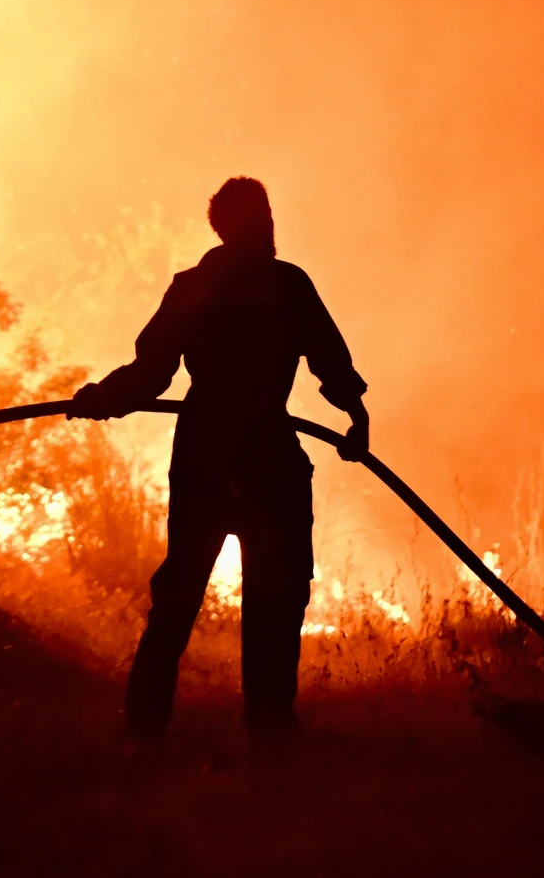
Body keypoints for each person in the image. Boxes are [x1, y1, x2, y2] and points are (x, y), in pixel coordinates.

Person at [69, 177, 369, 745]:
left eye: (269, 217)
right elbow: (330, 362)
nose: (270, 230)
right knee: (262, 602)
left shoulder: (208, 286)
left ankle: (157, 731)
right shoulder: (283, 286)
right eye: (261, 219)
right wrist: (102, 399)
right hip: (266, 460)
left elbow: (150, 372)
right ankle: (260, 732)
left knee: (198, 599)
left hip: (210, 455)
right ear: (239, 227)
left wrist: (103, 399)